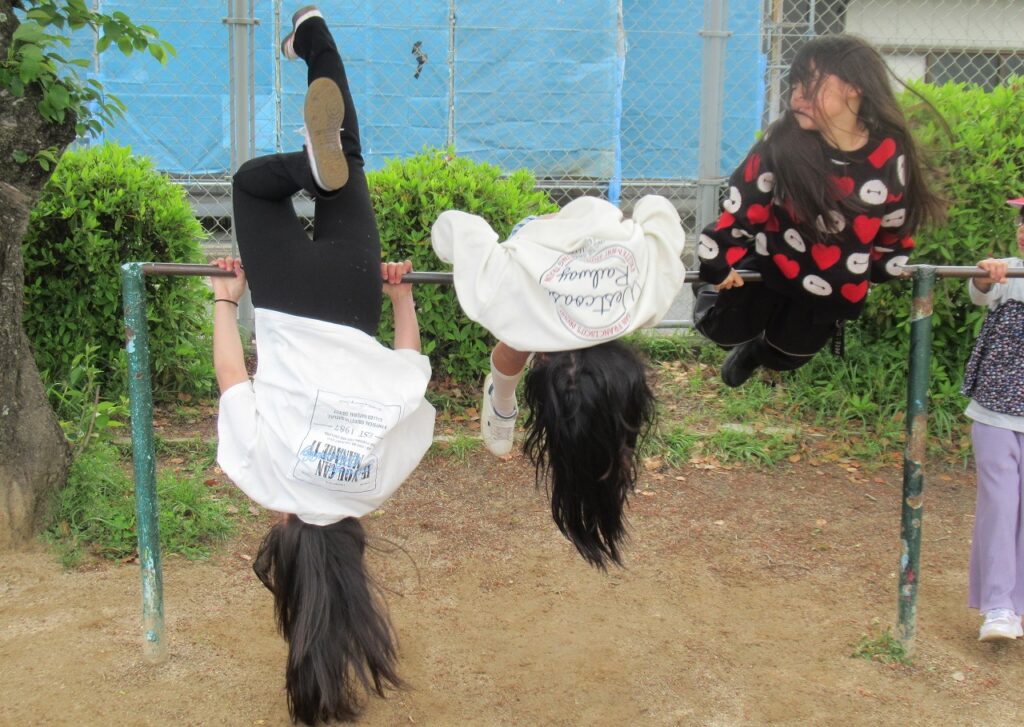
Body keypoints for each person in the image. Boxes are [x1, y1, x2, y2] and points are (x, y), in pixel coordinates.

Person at [211, 7, 435, 724]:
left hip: (351, 297)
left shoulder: (374, 485)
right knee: (253, 184)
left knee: (350, 160)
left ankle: (313, 40)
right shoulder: (268, 479)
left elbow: (409, 375)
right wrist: (225, 302)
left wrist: (401, 299)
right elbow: (233, 381)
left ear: (352, 551)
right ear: (286, 539)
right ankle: (308, 164)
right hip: (282, 301)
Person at [431, 195, 686, 568]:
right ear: (544, 360)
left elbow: (658, 208)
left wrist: (633, 224)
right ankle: (501, 399)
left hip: (585, 234)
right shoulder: (503, 293)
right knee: (519, 328)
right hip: (546, 246)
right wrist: (451, 248)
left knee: (519, 330)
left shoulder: (649, 298)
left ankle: (502, 398)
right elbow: (458, 226)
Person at [692, 34, 945, 386]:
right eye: (794, 85)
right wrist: (718, 261)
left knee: (789, 355)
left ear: (854, 87)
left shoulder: (888, 150)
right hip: (772, 260)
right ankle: (710, 299)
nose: (797, 96)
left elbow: (896, 218)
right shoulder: (785, 140)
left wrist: (885, 262)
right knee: (723, 330)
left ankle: (755, 354)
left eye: (810, 85)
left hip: (832, 282)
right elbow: (744, 202)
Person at [962, 197, 1024, 642]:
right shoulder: (1010, 273)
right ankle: (999, 606)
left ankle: (1017, 606)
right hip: (996, 412)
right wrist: (985, 273)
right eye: (1022, 221)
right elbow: (981, 287)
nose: (1023, 229)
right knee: (1000, 505)